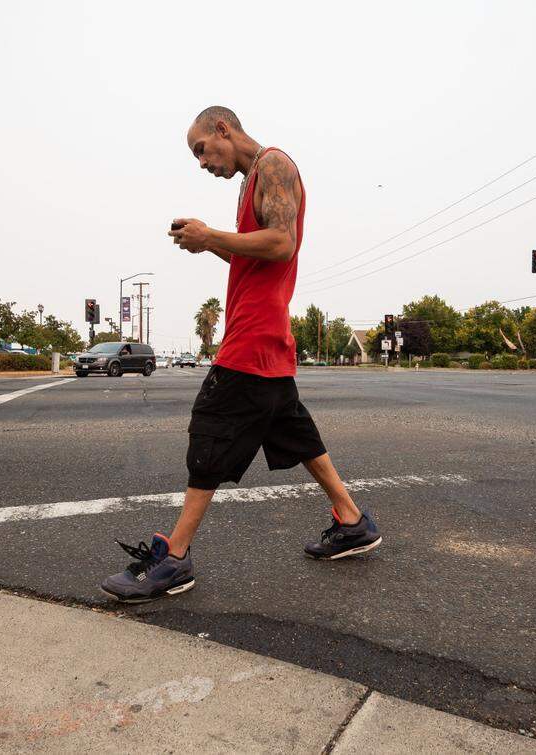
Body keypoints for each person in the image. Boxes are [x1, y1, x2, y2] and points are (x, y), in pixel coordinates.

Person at [100, 106, 382, 603]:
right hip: (266, 338)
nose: (202, 163)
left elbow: (281, 243)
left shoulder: (274, 165)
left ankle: (175, 558)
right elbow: (255, 250)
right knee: (296, 434)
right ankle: (353, 520)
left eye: (201, 150)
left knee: (210, 428)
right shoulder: (251, 182)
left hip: (252, 338)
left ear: (223, 130)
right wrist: (209, 243)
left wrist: (211, 236)